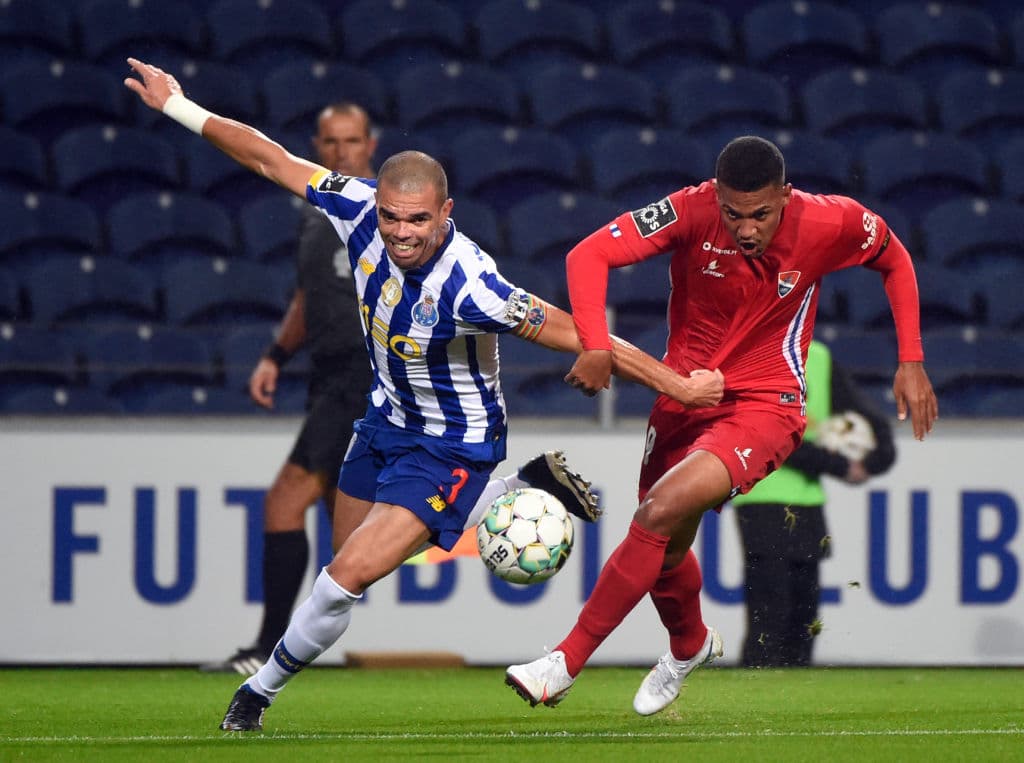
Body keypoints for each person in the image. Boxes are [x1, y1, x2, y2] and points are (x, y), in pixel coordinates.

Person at [123, 57, 725, 732]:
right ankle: (512, 490)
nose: (402, 233)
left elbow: (579, 331)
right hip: (385, 418)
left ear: (446, 212)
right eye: (391, 218)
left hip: (451, 443)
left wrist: (677, 384)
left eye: (417, 220)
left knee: (345, 575)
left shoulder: (471, 284)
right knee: (347, 552)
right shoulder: (354, 209)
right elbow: (269, 158)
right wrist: (180, 106)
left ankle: (257, 692)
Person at [505, 135, 938, 716]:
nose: (746, 227)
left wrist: (911, 359)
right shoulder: (691, 209)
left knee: (657, 510)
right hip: (683, 399)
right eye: (734, 213)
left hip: (767, 403)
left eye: (760, 213)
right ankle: (689, 646)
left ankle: (562, 662)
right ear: (718, 196)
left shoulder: (830, 221)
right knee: (663, 546)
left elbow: (895, 257)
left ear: (786, 195)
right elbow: (587, 256)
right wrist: (595, 343)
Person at [199, 103, 610, 676]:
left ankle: (262, 663)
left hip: (413, 409)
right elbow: (300, 271)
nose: (340, 152)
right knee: (352, 556)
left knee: (311, 527)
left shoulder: (455, 271)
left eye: (351, 141)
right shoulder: (339, 212)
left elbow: (565, 327)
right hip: (372, 399)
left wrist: (657, 375)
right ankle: (517, 487)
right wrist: (276, 354)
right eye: (331, 141)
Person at [732, 338, 896, 668]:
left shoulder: (819, 356)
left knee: (803, 615)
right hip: (761, 496)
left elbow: (865, 417)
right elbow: (773, 436)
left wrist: (877, 459)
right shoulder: (755, 351)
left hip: (806, 503)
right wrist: (842, 465)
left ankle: (793, 703)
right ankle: (755, 702)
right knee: (772, 614)